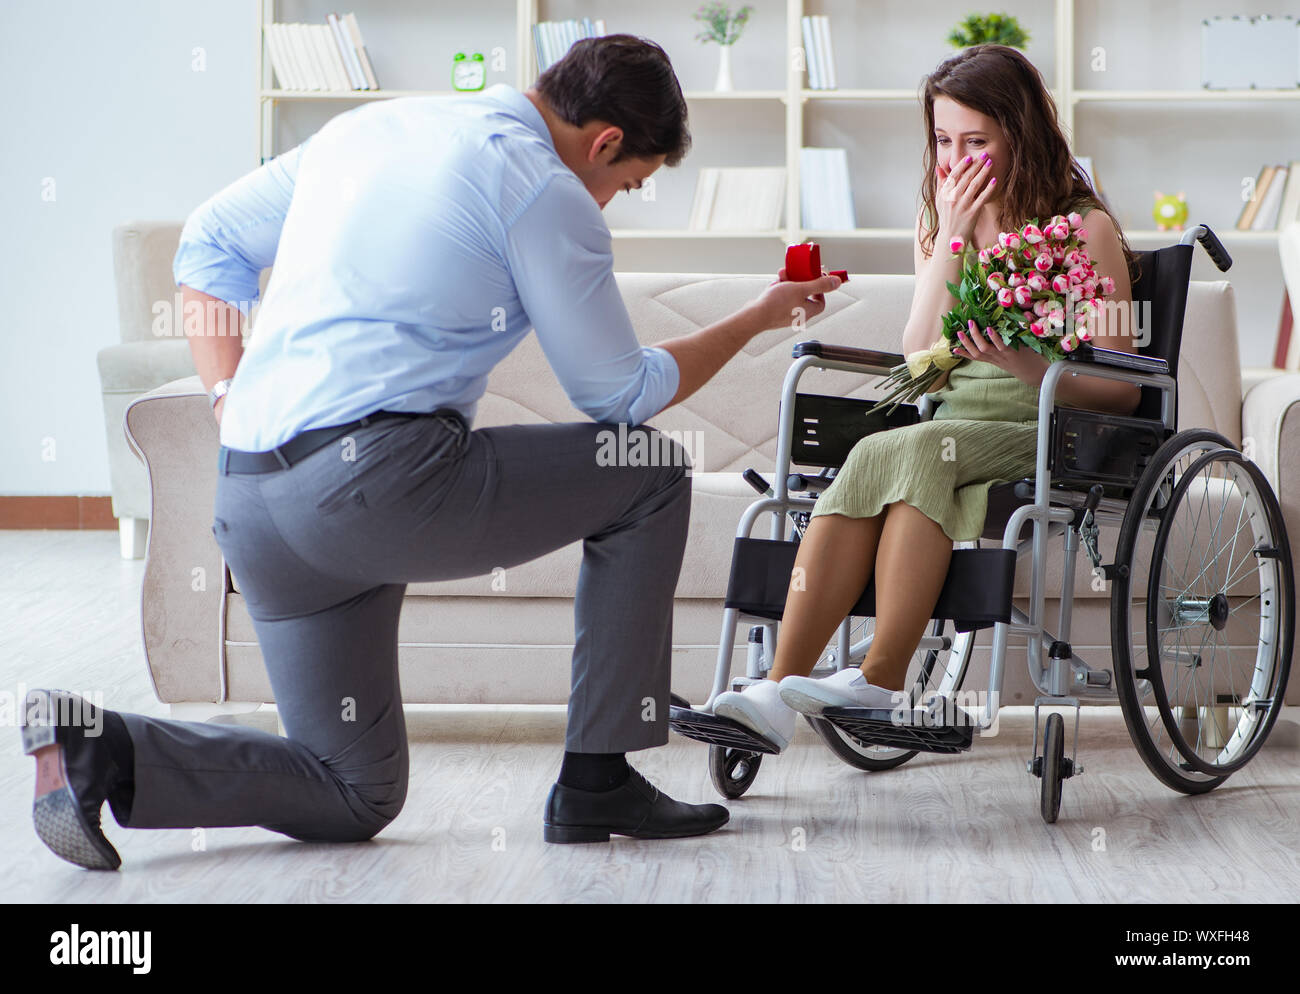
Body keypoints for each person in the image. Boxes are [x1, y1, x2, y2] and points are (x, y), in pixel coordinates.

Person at [22, 35, 843, 869]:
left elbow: (206, 245)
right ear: (603, 144)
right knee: (651, 472)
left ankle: (103, 749)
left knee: (355, 790)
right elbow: (621, 398)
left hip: (252, 499)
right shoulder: (544, 189)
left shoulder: (370, 130)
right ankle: (600, 778)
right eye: (626, 185)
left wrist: (230, 398)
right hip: (375, 488)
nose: (608, 206)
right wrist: (757, 317)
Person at [711, 43, 1143, 750]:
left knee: (913, 448)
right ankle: (773, 692)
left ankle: (881, 682)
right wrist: (948, 240)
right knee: (893, 451)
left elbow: (1123, 389)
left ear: (1021, 136)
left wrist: (1026, 362)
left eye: (977, 140)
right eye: (944, 141)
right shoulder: (935, 223)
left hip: (1047, 424)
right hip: (949, 427)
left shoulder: (1083, 229)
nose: (956, 159)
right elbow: (921, 361)